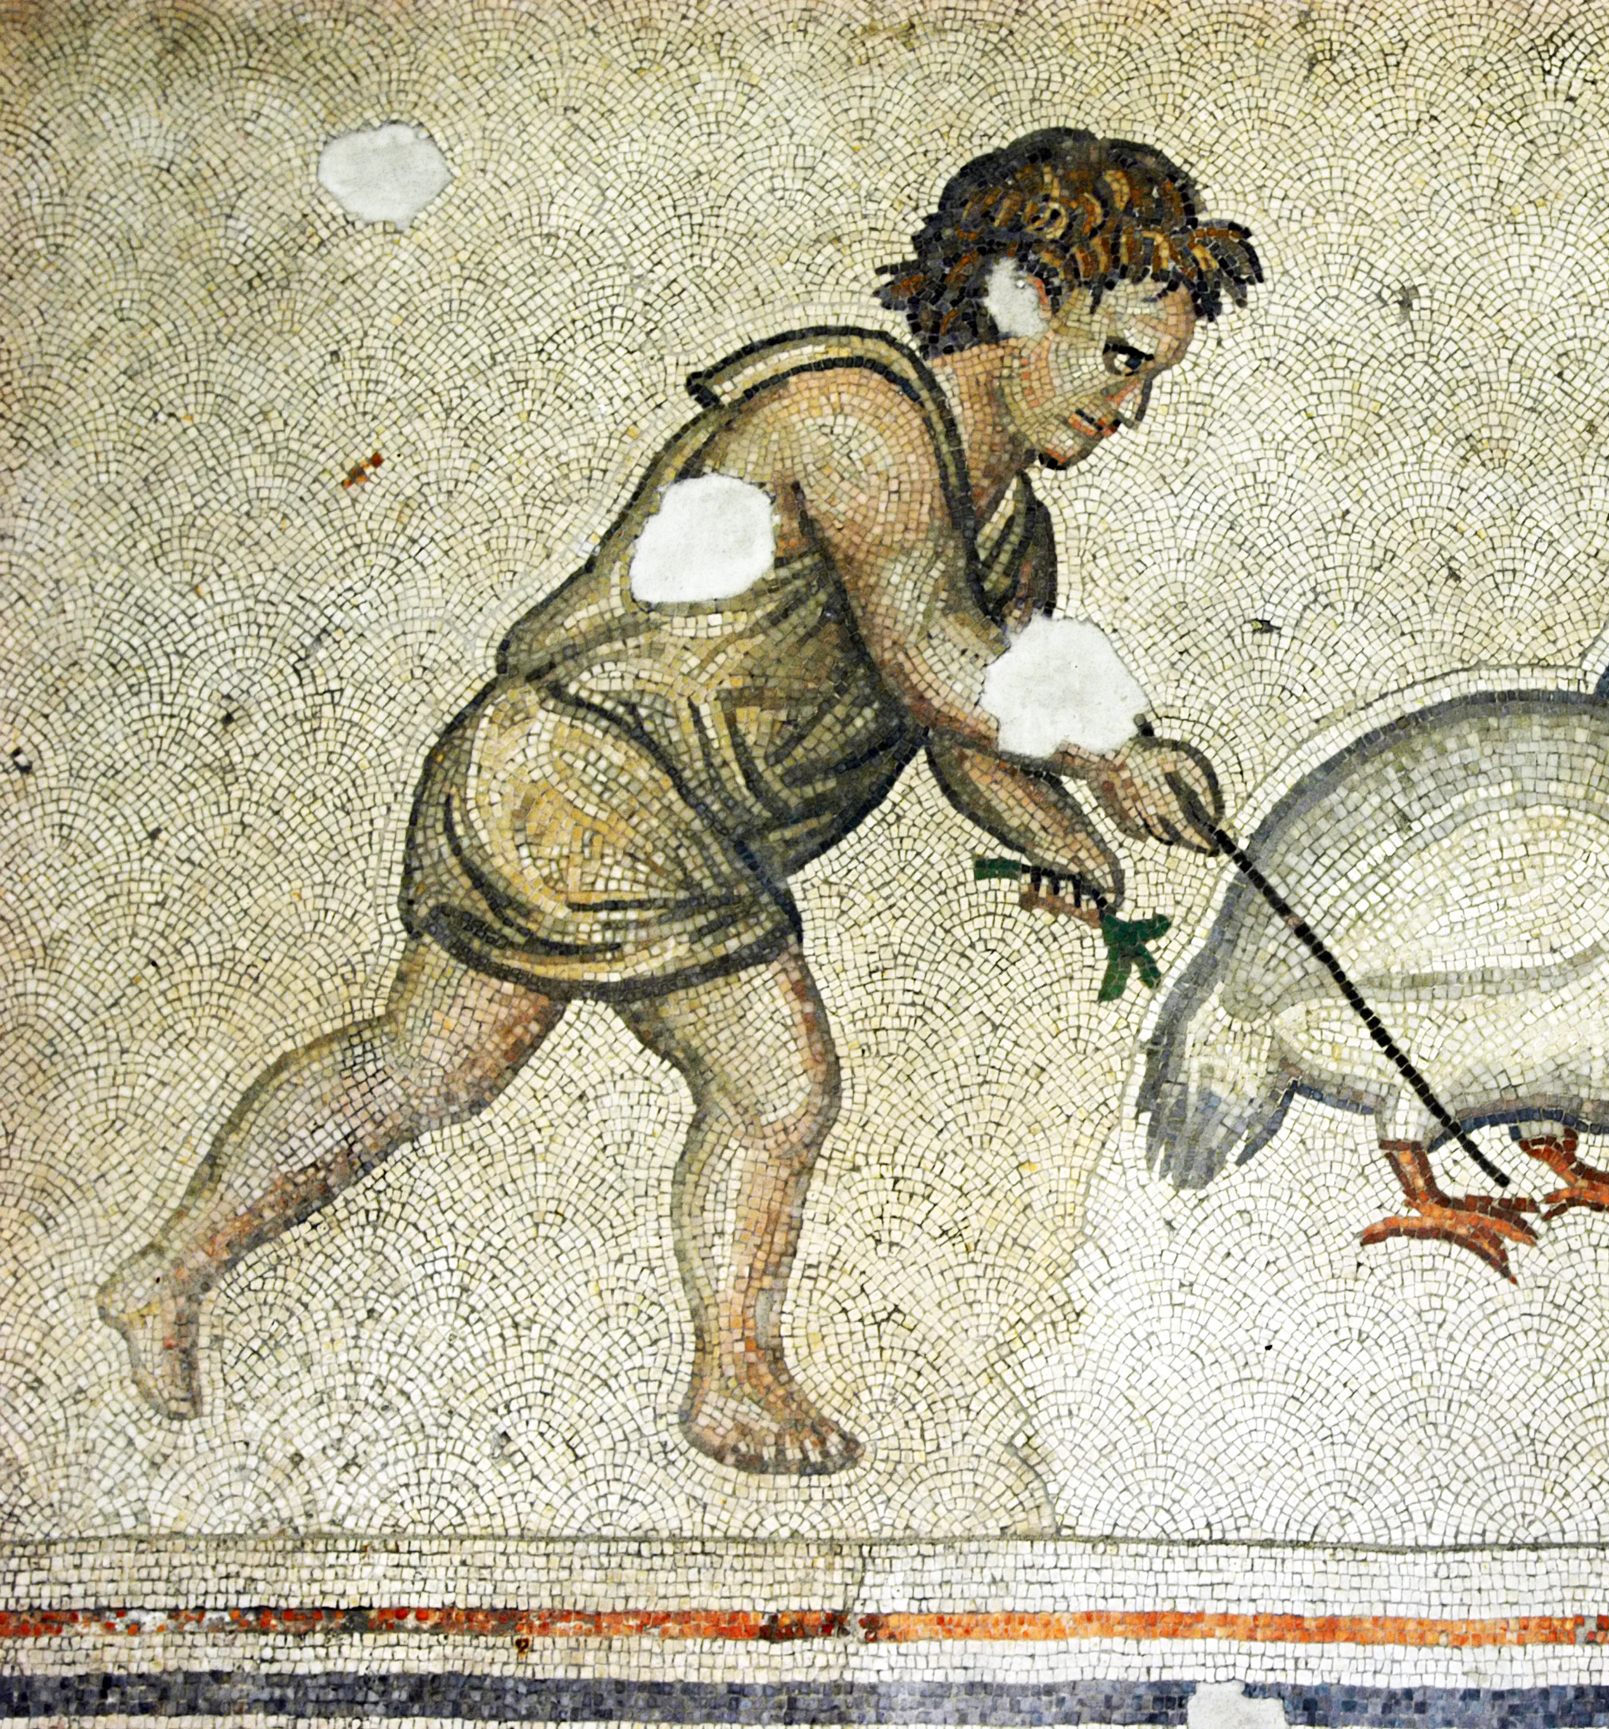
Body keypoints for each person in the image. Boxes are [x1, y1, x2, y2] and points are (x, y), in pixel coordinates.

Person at [97, 129, 1263, 1475]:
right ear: (1016, 293)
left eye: (1153, 380)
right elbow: (946, 663)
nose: (1129, 412)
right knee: (775, 1083)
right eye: (1121, 358)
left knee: (428, 1067)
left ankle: (167, 1270)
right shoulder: (858, 419)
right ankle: (736, 1377)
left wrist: (1068, 840)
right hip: (589, 773)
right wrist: (1118, 753)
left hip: (631, 812)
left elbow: (967, 736)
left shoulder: (1013, 535)